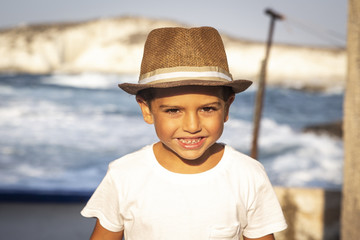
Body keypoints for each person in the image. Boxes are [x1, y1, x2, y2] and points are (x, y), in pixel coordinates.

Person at [81, 26, 287, 240]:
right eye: (173, 110)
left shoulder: (247, 175)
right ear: (146, 110)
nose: (191, 126)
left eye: (208, 109)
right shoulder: (124, 175)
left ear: (227, 108)